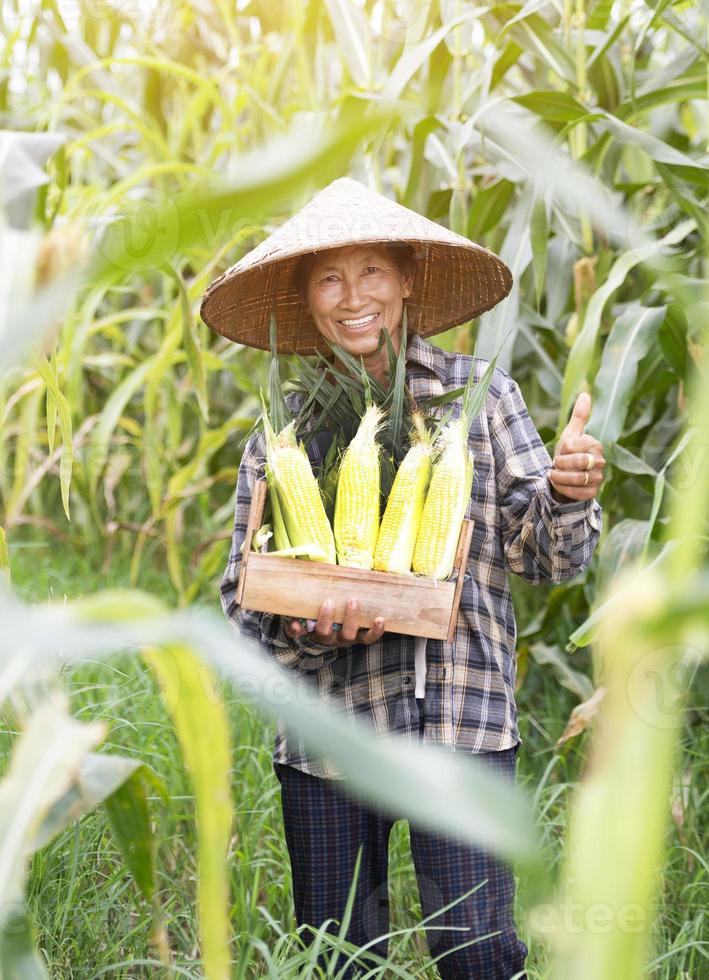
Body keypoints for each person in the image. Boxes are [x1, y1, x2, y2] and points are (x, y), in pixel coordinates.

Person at [200, 177, 605, 979]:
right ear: (304, 298)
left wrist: (564, 492)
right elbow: (241, 612)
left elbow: (548, 562)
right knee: (337, 958)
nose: (353, 299)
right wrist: (304, 630)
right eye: (328, 278)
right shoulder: (281, 432)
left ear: (407, 278)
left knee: (477, 952)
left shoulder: (483, 400)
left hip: (461, 724)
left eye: (371, 273)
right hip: (328, 743)